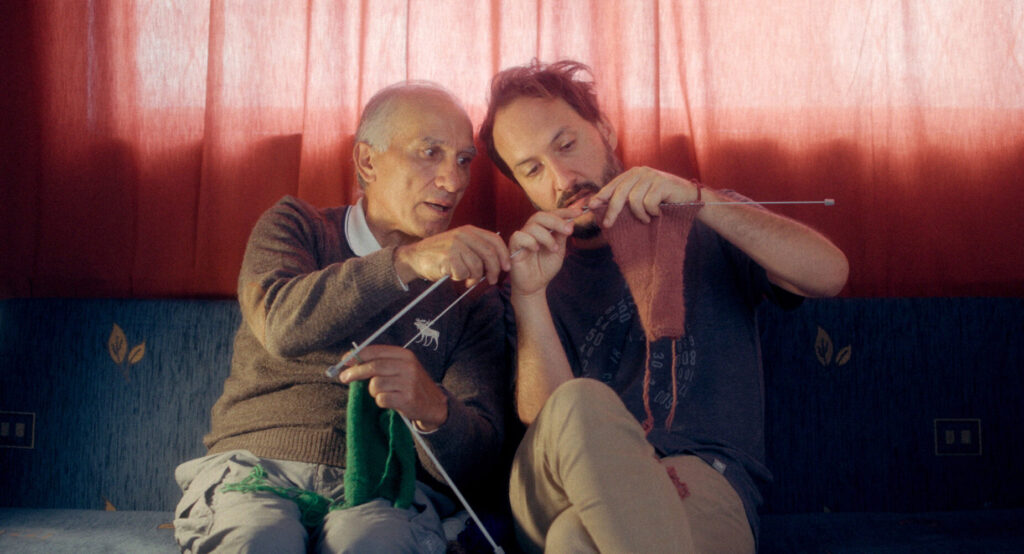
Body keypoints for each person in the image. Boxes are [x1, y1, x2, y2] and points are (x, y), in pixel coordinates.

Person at [479, 60, 849, 553]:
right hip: (561, 486)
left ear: (605, 130)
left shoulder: (706, 220)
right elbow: (545, 419)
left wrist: (701, 201)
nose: (562, 177)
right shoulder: (533, 275)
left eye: (566, 145)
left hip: (703, 477)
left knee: (573, 540)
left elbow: (829, 274)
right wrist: (529, 296)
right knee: (578, 401)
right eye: (532, 169)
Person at [173, 81, 512, 553]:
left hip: (384, 488)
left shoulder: (472, 296)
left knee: (374, 544)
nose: (453, 182)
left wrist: (433, 408)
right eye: (429, 152)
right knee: (260, 539)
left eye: (463, 160)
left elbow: (477, 468)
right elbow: (280, 324)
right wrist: (405, 262)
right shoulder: (296, 227)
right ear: (367, 162)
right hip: (256, 468)